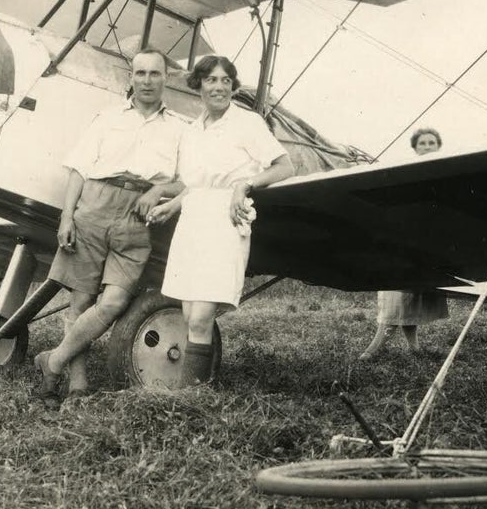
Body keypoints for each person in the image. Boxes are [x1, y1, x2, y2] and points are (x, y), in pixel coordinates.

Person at [33, 48, 187, 400]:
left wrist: (160, 189)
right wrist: (66, 216)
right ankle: (77, 385)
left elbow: (190, 180)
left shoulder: (180, 128)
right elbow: (78, 170)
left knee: (115, 301)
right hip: (95, 204)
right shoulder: (106, 117)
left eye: (155, 74)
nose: (147, 81)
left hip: (138, 216)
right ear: (130, 78)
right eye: (141, 73)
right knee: (81, 299)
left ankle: (53, 362)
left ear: (166, 78)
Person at [147, 55, 295, 387]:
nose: (219, 87)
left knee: (200, 317)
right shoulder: (192, 130)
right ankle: (197, 386)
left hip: (227, 220)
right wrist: (172, 205)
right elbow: (195, 185)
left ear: (232, 85)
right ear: (198, 84)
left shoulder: (248, 122)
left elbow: (285, 166)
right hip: (192, 222)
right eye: (211, 80)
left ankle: (194, 397)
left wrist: (245, 184)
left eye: (225, 80)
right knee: (188, 315)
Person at [358, 127, 449, 360]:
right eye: (422, 144)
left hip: (428, 244)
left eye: (431, 143)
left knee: (411, 299)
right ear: (415, 148)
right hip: (402, 242)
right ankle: (375, 349)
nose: (427, 147)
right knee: (394, 294)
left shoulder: (446, 171)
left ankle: (412, 348)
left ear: (438, 146)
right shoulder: (406, 172)